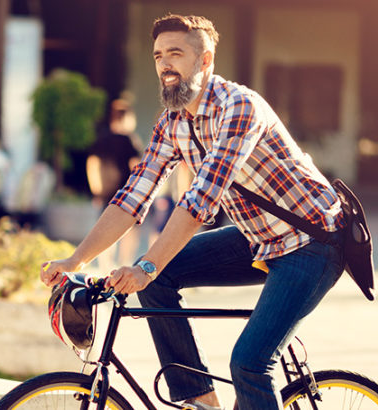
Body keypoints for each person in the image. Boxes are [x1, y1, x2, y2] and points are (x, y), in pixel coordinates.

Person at [40, 14, 346, 410]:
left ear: (205, 60)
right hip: (259, 238)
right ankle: (199, 401)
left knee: (250, 364)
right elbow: (132, 197)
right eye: (157, 56)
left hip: (313, 241)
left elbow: (200, 203)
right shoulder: (172, 122)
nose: (164, 64)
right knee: (157, 277)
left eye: (175, 54)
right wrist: (76, 259)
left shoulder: (240, 108)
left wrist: (145, 267)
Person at [86, 99, 144, 270]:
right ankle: (124, 262)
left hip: (106, 191)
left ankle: (106, 265)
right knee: (129, 228)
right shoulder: (130, 140)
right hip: (127, 191)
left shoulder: (102, 138)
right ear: (128, 118)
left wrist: (96, 189)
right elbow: (136, 166)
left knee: (104, 227)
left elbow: (92, 164)